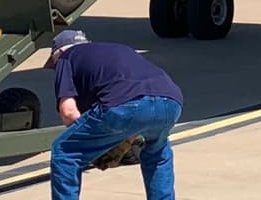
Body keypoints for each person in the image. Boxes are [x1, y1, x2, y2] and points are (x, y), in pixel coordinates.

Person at [46, 30, 183, 200]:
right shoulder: (119, 49)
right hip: (171, 102)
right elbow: (143, 104)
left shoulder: (66, 57)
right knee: (158, 152)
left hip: (123, 106)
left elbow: (68, 112)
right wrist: (120, 136)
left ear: (58, 53)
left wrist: (95, 144)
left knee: (64, 151)